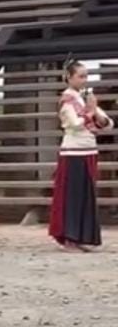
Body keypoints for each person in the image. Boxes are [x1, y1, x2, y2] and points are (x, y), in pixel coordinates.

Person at [49, 61, 113, 251]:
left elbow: (107, 123)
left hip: (89, 149)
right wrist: (91, 112)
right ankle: (70, 237)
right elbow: (75, 123)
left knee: (86, 196)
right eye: (80, 76)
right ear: (69, 78)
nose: (84, 80)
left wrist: (97, 115)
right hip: (73, 152)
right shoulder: (67, 100)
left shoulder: (85, 98)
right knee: (73, 196)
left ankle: (82, 237)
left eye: (86, 76)